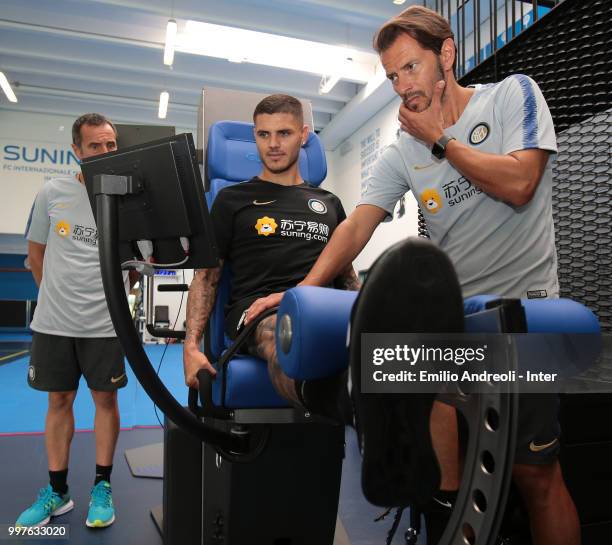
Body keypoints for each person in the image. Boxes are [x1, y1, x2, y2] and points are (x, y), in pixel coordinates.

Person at [245, 6, 578, 545]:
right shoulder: (404, 150)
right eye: (393, 76)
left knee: (535, 477)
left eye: (410, 68)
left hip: (523, 319)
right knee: (453, 477)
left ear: (445, 55)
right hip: (455, 329)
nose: (402, 86)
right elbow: (355, 227)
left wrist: (442, 140)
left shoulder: (513, 94)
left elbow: (521, 182)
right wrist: (300, 292)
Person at [183, 94, 358, 418]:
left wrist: (372, 314)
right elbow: (207, 277)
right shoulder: (231, 200)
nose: (273, 144)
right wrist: (190, 347)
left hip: (321, 309)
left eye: (284, 133)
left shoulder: (328, 203)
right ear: (255, 136)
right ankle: (334, 405)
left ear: (303, 136)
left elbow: (346, 276)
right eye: (264, 134)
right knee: (286, 332)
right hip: (257, 314)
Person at [17, 113, 131, 529]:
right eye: (95, 146)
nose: (104, 152)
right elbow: (35, 255)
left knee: (106, 401)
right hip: (54, 324)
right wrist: (57, 296)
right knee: (58, 401)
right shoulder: (52, 193)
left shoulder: (128, 196)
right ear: (77, 152)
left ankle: (102, 487)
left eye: (110, 144)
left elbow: (138, 261)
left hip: (105, 325)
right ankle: (57, 492)